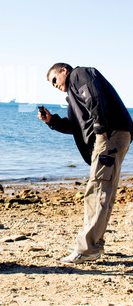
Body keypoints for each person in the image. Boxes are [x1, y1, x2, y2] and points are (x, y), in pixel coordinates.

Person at [39, 63, 133, 264]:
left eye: (54, 80)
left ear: (64, 71)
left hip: (110, 134)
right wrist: (52, 121)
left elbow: (94, 97)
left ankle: (87, 247)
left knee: (97, 190)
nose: (54, 85)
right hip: (114, 134)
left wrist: (101, 128)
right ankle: (94, 245)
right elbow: (77, 127)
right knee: (103, 191)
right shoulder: (74, 95)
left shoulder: (79, 75)